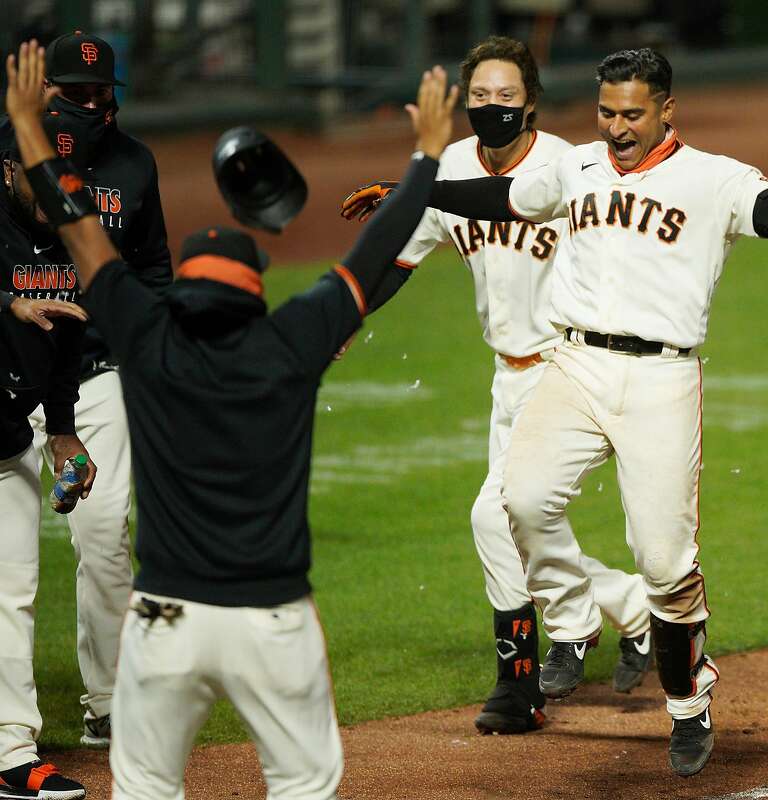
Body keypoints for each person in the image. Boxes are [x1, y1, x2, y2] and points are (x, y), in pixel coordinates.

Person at [5, 40, 456, 799]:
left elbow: (80, 232)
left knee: (146, 786)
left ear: (181, 302)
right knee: (303, 786)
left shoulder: (147, 342)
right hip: (273, 622)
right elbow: (374, 251)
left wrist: (23, 123)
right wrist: (428, 155)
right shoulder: (293, 342)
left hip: (165, 621)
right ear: (259, 300)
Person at [421, 47, 768, 776]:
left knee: (664, 564)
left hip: (660, 382)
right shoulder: (576, 167)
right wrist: (419, 189)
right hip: (576, 365)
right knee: (515, 499)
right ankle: (579, 624)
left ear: (666, 110)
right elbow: (503, 200)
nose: (617, 128)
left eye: (632, 114)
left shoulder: (713, 178)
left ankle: (688, 698)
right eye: (607, 112)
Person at [340, 35, 653, 737]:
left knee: (495, 515)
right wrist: (345, 312)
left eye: (506, 96)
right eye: (479, 96)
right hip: (507, 378)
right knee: (519, 516)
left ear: (532, 101)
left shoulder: (569, 167)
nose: (492, 107)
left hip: (574, 368)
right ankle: (629, 606)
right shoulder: (451, 166)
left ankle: (538, 666)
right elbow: (402, 257)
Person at [6, 30, 172, 748]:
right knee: (10, 571)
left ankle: (109, 700)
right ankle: (12, 734)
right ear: (42, 91)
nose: (90, 105)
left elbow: (155, 271)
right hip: (6, 380)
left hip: (94, 374)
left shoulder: (134, 165)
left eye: (100, 94)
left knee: (104, 536)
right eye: (74, 93)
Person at [0, 105, 96, 800]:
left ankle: (10, 752)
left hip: (8, 439)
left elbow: (70, 342)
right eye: (42, 175)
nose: (58, 186)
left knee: (13, 597)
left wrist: (62, 426)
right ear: (9, 171)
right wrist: (5, 300)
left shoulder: (70, 235)